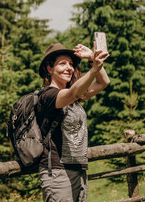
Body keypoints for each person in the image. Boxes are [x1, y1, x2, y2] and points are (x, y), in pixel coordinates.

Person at [36, 43, 110, 202]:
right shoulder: (48, 95)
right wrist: (93, 70)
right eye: (62, 63)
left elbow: (104, 82)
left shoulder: (74, 98)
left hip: (78, 168)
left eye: (71, 64)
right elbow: (74, 92)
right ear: (49, 69)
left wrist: (92, 58)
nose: (68, 68)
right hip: (57, 173)